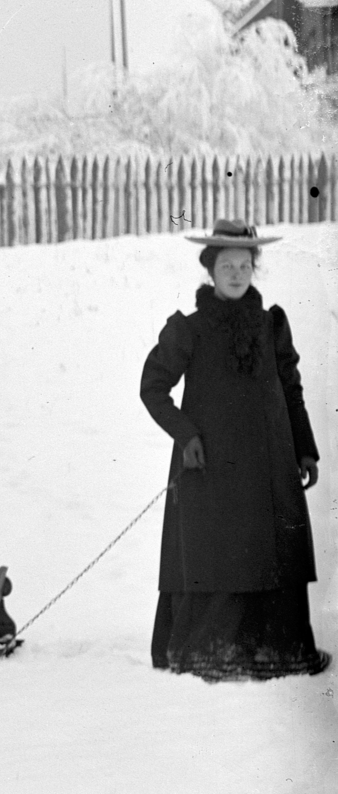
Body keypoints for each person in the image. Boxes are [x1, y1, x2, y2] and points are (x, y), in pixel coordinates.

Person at [139, 218, 330, 682]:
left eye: (245, 265)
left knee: (270, 549)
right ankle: (211, 650)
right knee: (216, 553)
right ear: (210, 268)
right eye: (228, 265)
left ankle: (273, 650)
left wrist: (305, 449)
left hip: (269, 466)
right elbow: (153, 388)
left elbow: (291, 387)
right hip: (212, 468)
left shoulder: (271, 324)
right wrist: (187, 436)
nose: (237, 274)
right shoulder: (189, 330)